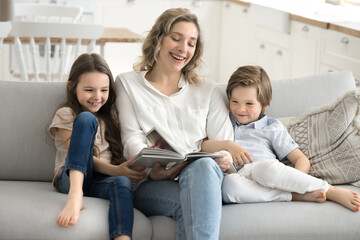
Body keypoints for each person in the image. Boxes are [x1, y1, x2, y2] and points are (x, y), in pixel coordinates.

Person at [116, 8, 234, 240]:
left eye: (191, 43)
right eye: (176, 38)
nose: (183, 49)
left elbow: (225, 143)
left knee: (201, 169)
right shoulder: (127, 83)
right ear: (159, 38)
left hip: (204, 178)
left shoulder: (208, 91)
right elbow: (131, 138)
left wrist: (220, 156)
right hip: (153, 182)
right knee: (198, 206)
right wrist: (154, 171)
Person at [201, 65, 360, 212]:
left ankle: (330, 190)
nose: (241, 109)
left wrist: (296, 180)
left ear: (264, 104)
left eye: (249, 103)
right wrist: (229, 146)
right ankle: (293, 196)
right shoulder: (224, 120)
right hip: (240, 177)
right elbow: (203, 146)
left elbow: (301, 159)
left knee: (265, 170)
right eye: (234, 102)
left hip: (264, 171)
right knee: (229, 186)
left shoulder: (272, 127)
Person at [48, 53, 146, 240]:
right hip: (71, 178)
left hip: (99, 181)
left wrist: (125, 170)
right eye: (89, 90)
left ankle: (122, 238)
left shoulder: (112, 117)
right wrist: (116, 170)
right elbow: (79, 155)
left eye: (104, 90)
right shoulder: (66, 114)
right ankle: (76, 197)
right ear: (72, 87)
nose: (97, 97)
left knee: (122, 183)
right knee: (86, 118)